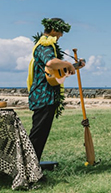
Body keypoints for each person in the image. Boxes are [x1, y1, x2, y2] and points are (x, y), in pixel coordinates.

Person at [27, 17, 76, 161]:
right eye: (61, 32)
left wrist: (73, 67)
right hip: (43, 96)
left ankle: (32, 166)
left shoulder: (49, 45)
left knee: (41, 135)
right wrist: (68, 63)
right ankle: (29, 168)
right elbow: (50, 61)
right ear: (54, 29)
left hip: (48, 96)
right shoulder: (44, 44)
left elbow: (53, 71)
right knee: (37, 135)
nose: (61, 35)